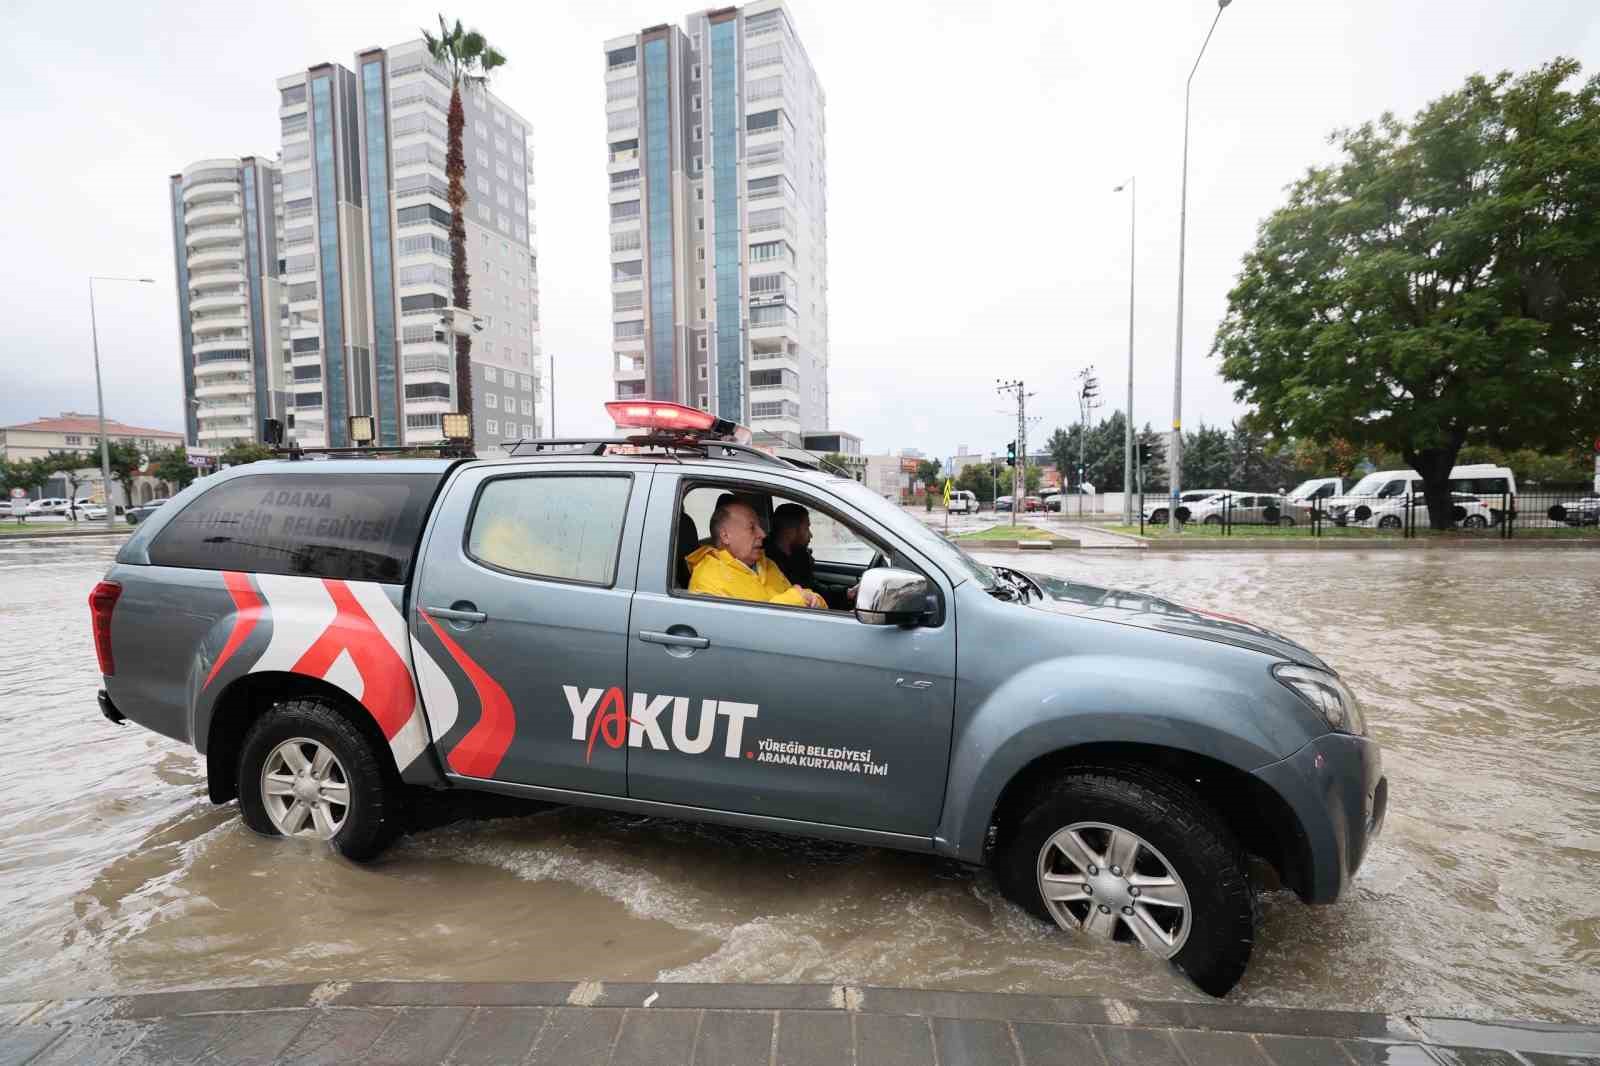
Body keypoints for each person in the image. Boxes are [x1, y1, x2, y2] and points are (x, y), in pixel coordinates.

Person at [686, 499, 826, 609]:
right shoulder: (707, 580)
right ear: (725, 536)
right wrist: (796, 599)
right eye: (752, 528)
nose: (763, 534)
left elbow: (804, 596)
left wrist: (815, 601)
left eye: (760, 527)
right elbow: (746, 631)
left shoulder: (766, 564)